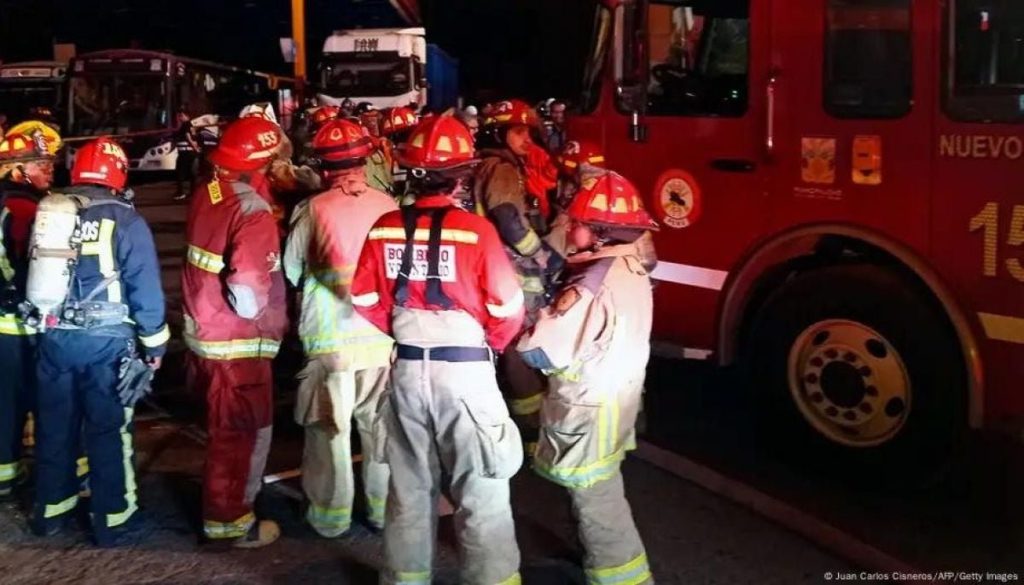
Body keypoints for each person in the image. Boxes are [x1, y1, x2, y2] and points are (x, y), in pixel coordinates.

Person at [350, 114, 525, 585]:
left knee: (408, 491)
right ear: (462, 174)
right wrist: (487, 343)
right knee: (482, 491)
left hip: (406, 369)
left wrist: (403, 331)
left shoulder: (384, 226)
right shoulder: (476, 232)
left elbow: (363, 298)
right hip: (465, 373)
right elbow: (508, 308)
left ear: (410, 169)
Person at [517, 170, 658, 585]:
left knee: (597, 498)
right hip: (616, 403)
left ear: (598, 233)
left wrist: (533, 321)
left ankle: (621, 577)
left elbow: (539, 350)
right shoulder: (631, 268)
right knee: (603, 487)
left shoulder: (589, 285)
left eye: (576, 223)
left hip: (587, 409)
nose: (570, 227)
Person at [30, 137, 168, 546]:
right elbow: (145, 290)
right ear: (118, 173)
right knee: (108, 430)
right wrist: (155, 347)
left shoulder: (52, 210)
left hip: (54, 337)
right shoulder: (125, 220)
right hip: (106, 344)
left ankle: (51, 513)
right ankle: (114, 518)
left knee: (55, 426)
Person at [283, 119, 397, 537]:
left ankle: (330, 520)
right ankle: (384, 511)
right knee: (380, 427)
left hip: (330, 341)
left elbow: (293, 269)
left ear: (324, 165)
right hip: (380, 336)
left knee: (329, 429)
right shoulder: (388, 205)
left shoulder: (313, 209)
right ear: (365, 158)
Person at [182, 117, 289, 548]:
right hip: (238, 342)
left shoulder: (209, 192)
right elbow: (246, 292)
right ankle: (230, 521)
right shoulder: (252, 211)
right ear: (261, 163)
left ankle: (232, 505)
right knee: (239, 433)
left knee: (227, 429)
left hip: (206, 332)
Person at [473, 99, 561, 453]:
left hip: (493, 265)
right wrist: (538, 252)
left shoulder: (488, 164)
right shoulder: (503, 169)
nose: (528, 138)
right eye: (519, 131)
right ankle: (530, 429)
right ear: (499, 132)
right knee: (520, 346)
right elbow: (508, 216)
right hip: (511, 268)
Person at [0, 130, 58, 500]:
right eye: (41, 164)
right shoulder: (25, 209)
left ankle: (5, 474)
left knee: (4, 403)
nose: (49, 170)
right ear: (18, 171)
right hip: (18, 323)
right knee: (31, 399)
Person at [174, 110, 200, 201]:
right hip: (190, 152)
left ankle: (180, 192)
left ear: (187, 116)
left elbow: (188, 137)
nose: (180, 118)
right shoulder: (191, 126)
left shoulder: (186, 125)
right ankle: (192, 192)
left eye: (181, 116)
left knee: (180, 172)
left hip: (185, 152)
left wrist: (195, 148)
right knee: (192, 173)